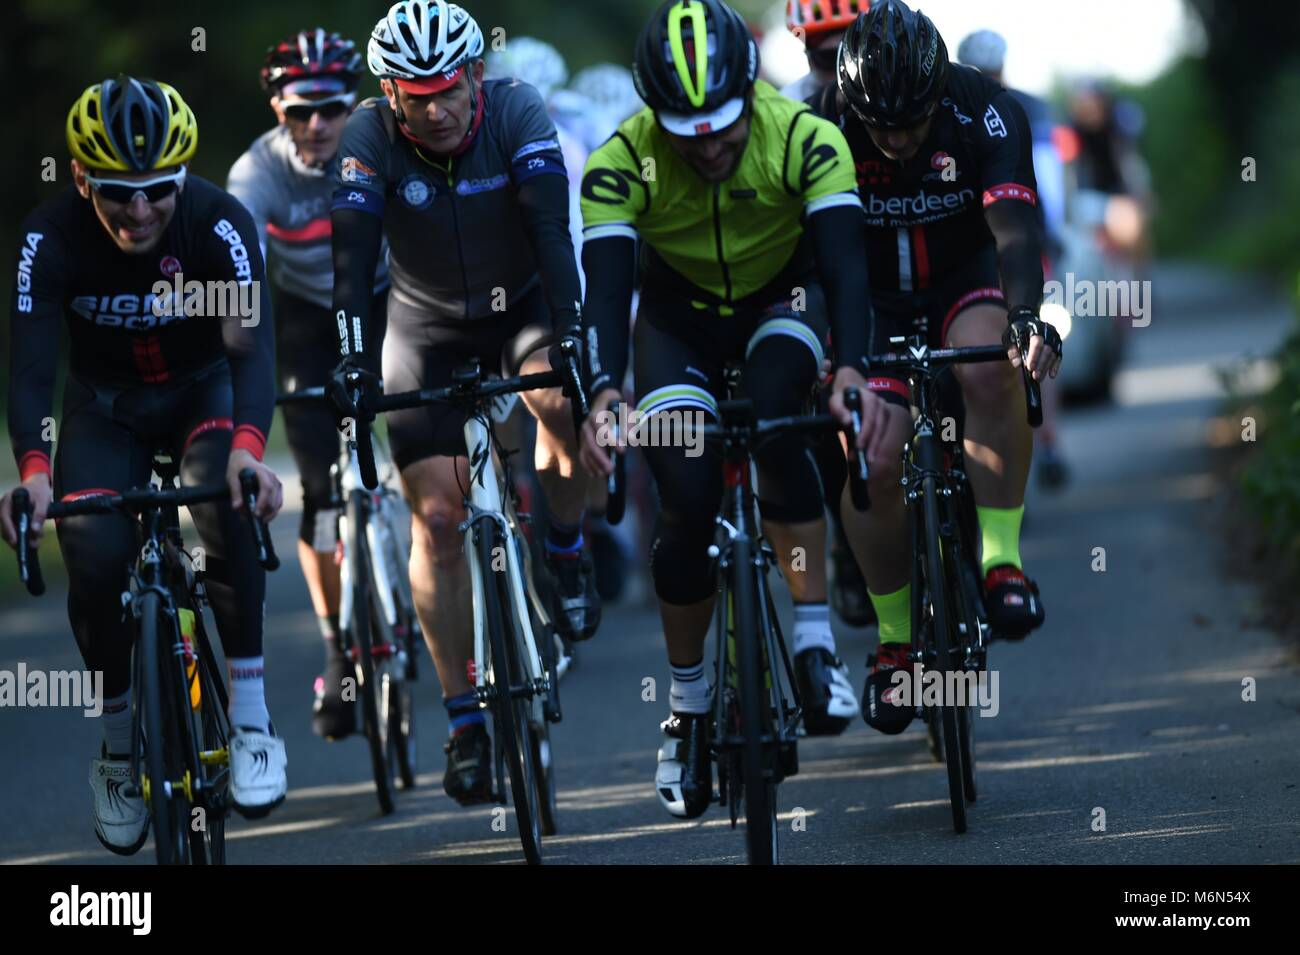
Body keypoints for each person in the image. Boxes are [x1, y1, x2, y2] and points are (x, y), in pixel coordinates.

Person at [577, 0, 888, 820]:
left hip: (783, 300)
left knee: (782, 420)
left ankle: (816, 643)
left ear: (752, 92)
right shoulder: (616, 163)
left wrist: (850, 368)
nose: (711, 145)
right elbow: (608, 294)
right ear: (653, 115)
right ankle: (687, 708)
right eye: (688, 131)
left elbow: (847, 269)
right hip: (675, 324)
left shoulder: (807, 139)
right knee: (682, 499)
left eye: (724, 124)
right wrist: (605, 393)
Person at [1, 76, 288, 853]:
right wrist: (33, 470)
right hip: (105, 408)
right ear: (80, 177)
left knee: (226, 511)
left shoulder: (219, 223)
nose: (139, 212)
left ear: (183, 179)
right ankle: (120, 749)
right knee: (93, 553)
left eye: (158, 191)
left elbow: (251, 349)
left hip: (205, 390)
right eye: (119, 193)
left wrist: (248, 454)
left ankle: (255, 720)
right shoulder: (48, 237)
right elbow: (30, 366)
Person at [329, 0, 595, 806]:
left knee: (557, 402)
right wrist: (350, 356)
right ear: (389, 92)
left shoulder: (517, 109)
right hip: (425, 328)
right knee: (438, 522)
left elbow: (554, 234)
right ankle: (463, 720)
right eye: (417, 97)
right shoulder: (366, 138)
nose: (437, 110)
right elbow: (352, 264)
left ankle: (564, 544)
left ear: (477, 73)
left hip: (523, 310)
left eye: (449, 90)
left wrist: (575, 330)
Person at [808, 0, 1061, 733]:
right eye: (878, 125)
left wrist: (1024, 319)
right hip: (872, 299)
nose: (894, 139)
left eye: (910, 123)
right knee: (872, 449)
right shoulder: (819, 123)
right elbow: (822, 261)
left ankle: (1002, 561)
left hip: (965, 276)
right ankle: (893, 643)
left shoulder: (985, 109)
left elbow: (1015, 234)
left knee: (991, 370)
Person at [227, 28, 391, 740]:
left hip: (390, 299)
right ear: (277, 109)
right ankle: (336, 643)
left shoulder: (379, 141)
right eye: (301, 112)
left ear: (350, 103)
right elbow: (241, 286)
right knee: (321, 496)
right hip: (302, 320)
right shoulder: (254, 175)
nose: (318, 126)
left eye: (330, 108)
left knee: (426, 457)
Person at [956, 28, 1070, 490]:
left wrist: (1053, 232)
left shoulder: (1025, 107)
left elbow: (1051, 178)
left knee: (1041, 336)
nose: (989, 80)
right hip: (972, 250)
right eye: (981, 73)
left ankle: (1050, 443)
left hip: (1023, 236)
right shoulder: (951, 111)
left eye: (994, 72)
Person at [782, 0, 868, 103]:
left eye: (855, 54)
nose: (843, 71)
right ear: (810, 60)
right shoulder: (791, 100)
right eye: (829, 58)